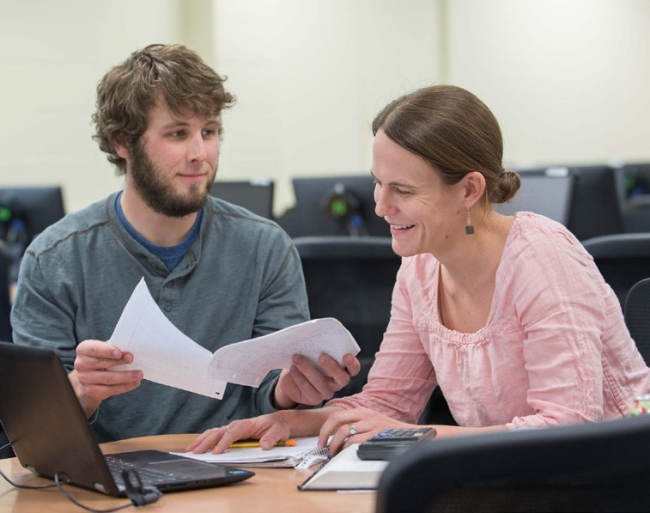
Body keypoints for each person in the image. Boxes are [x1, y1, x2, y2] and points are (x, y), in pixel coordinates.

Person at [187, 84, 650, 456]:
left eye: (402, 190)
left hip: (613, 478)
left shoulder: (542, 259)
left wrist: (412, 436)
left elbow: (567, 429)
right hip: (513, 479)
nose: (380, 206)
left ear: (469, 189)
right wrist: (290, 420)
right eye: (377, 184)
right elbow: (387, 406)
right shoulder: (420, 269)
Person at [10, 44, 360, 443]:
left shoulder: (265, 247)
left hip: (234, 469)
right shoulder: (54, 259)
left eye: (209, 132)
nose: (201, 154)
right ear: (123, 143)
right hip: (110, 481)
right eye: (178, 133)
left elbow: (271, 391)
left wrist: (291, 392)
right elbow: (36, 430)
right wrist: (81, 390)